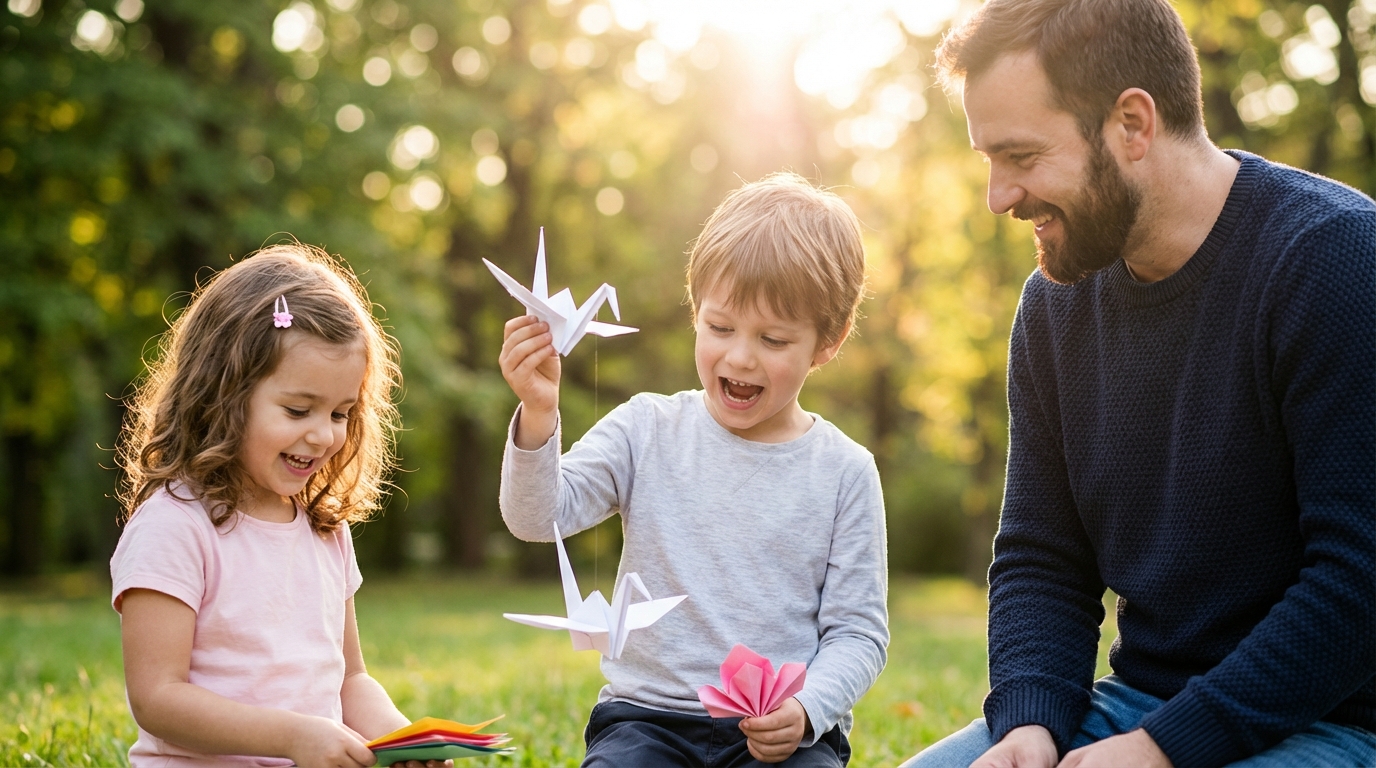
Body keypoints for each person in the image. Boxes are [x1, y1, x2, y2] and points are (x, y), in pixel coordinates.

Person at [901, 0, 1375, 766]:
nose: (998, 197)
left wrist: (1165, 747)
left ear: (1132, 124)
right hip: (1134, 709)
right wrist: (1030, 718)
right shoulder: (1054, 305)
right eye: (989, 161)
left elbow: (1361, 583)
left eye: (1020, 157)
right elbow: (1043, 553)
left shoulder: (1334, 261)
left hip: (1332, 723)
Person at [497, 173, 889, 767]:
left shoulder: (845, 473)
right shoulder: (646, 429)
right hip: (646, 724)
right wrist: (538, 412)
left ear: (827, 342)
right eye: (720, 326)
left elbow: (859, 633)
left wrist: (808, 710)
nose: (739, 356)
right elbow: (536, 518)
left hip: (779, 733)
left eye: (774, 339)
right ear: (695, 313)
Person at [111, 245, 438, 768]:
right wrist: (291, 737)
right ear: (222, 392)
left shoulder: (324, 528)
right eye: (297, 409)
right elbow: (158, 698)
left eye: (341, 412)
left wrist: (401, 738)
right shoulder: (174, 526)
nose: (322, 434)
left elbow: (351, 679)